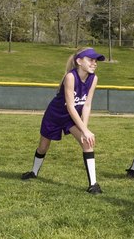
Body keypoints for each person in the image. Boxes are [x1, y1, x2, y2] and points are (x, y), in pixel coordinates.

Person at [21, 47, 104, 194]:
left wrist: (84, 129)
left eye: (96, 60)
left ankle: (93, 184)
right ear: (79, 61)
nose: (94, 63)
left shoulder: (94, 78)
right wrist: (84, 130)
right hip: (55, 115)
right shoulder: (70, 77)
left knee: (87, 143)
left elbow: (87, 105)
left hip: (71, 119)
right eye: (90, 60)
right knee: (43, 147)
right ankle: (33, 172)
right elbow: (70, 106)